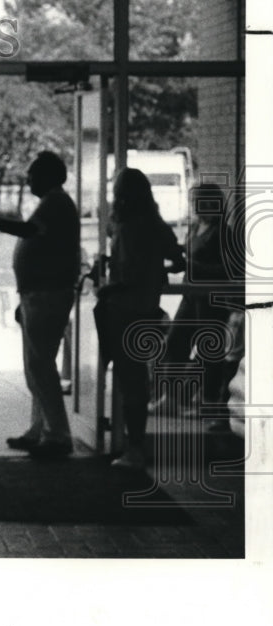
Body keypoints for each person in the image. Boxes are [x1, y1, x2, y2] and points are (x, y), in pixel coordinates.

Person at [0, 151, 80, 459]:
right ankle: (40, 430)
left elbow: (28, 231)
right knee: (37, 368)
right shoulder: (54, 203)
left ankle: (57, 435)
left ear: (48, 176)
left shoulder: (56, 202)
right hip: (38, 295)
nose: (28, 179)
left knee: (40, 368)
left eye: (32, 174)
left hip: (46, 296)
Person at [97, 167, 185, 470]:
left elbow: (127, 274)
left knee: (129, 378)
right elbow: (177, 259)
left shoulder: (125, 226)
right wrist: (156, 272)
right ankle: (133, 444)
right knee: (135, 378)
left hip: (123, 309)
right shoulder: (155, 223)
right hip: (146, 307)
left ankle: (134, 448)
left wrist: (108, 287)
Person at [153, 183, 238, 422]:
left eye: (197, 202)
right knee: (175, 341)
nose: (193, 207)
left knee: (208, 351)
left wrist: (194, 267)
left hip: (211, 299)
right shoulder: (194, 227)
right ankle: (171, 398)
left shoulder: (223, 232)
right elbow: (186, 258)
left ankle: (209, 403)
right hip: (191, 295)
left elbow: (229, 269)